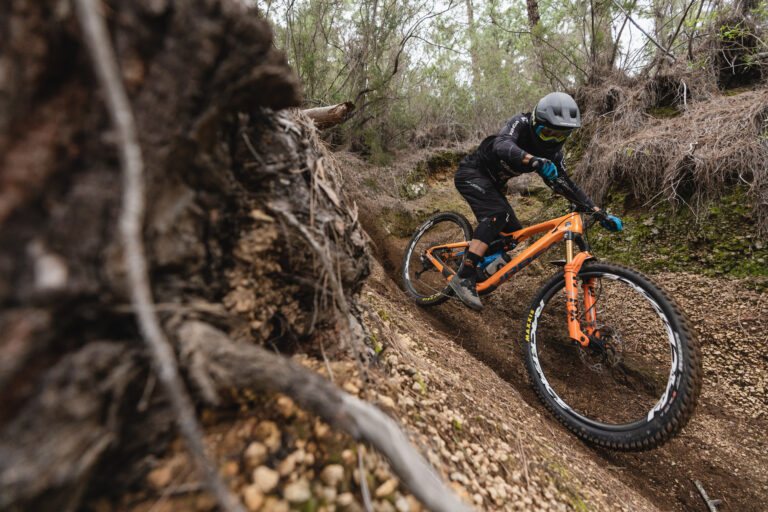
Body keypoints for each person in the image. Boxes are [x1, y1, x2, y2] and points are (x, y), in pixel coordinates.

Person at [450, 92, 623, 310]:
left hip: (493, 186)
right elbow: (501, 145)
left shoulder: (554, 157)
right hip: (472, 173)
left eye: (560, 136)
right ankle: (464, 276)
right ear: (535, 122)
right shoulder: (520, 123)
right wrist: (534, 161)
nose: (552, 140)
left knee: (513, 235)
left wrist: (598, 212)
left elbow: (565, 185)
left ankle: (470, 263)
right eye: (548, 133)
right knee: (497, 215)